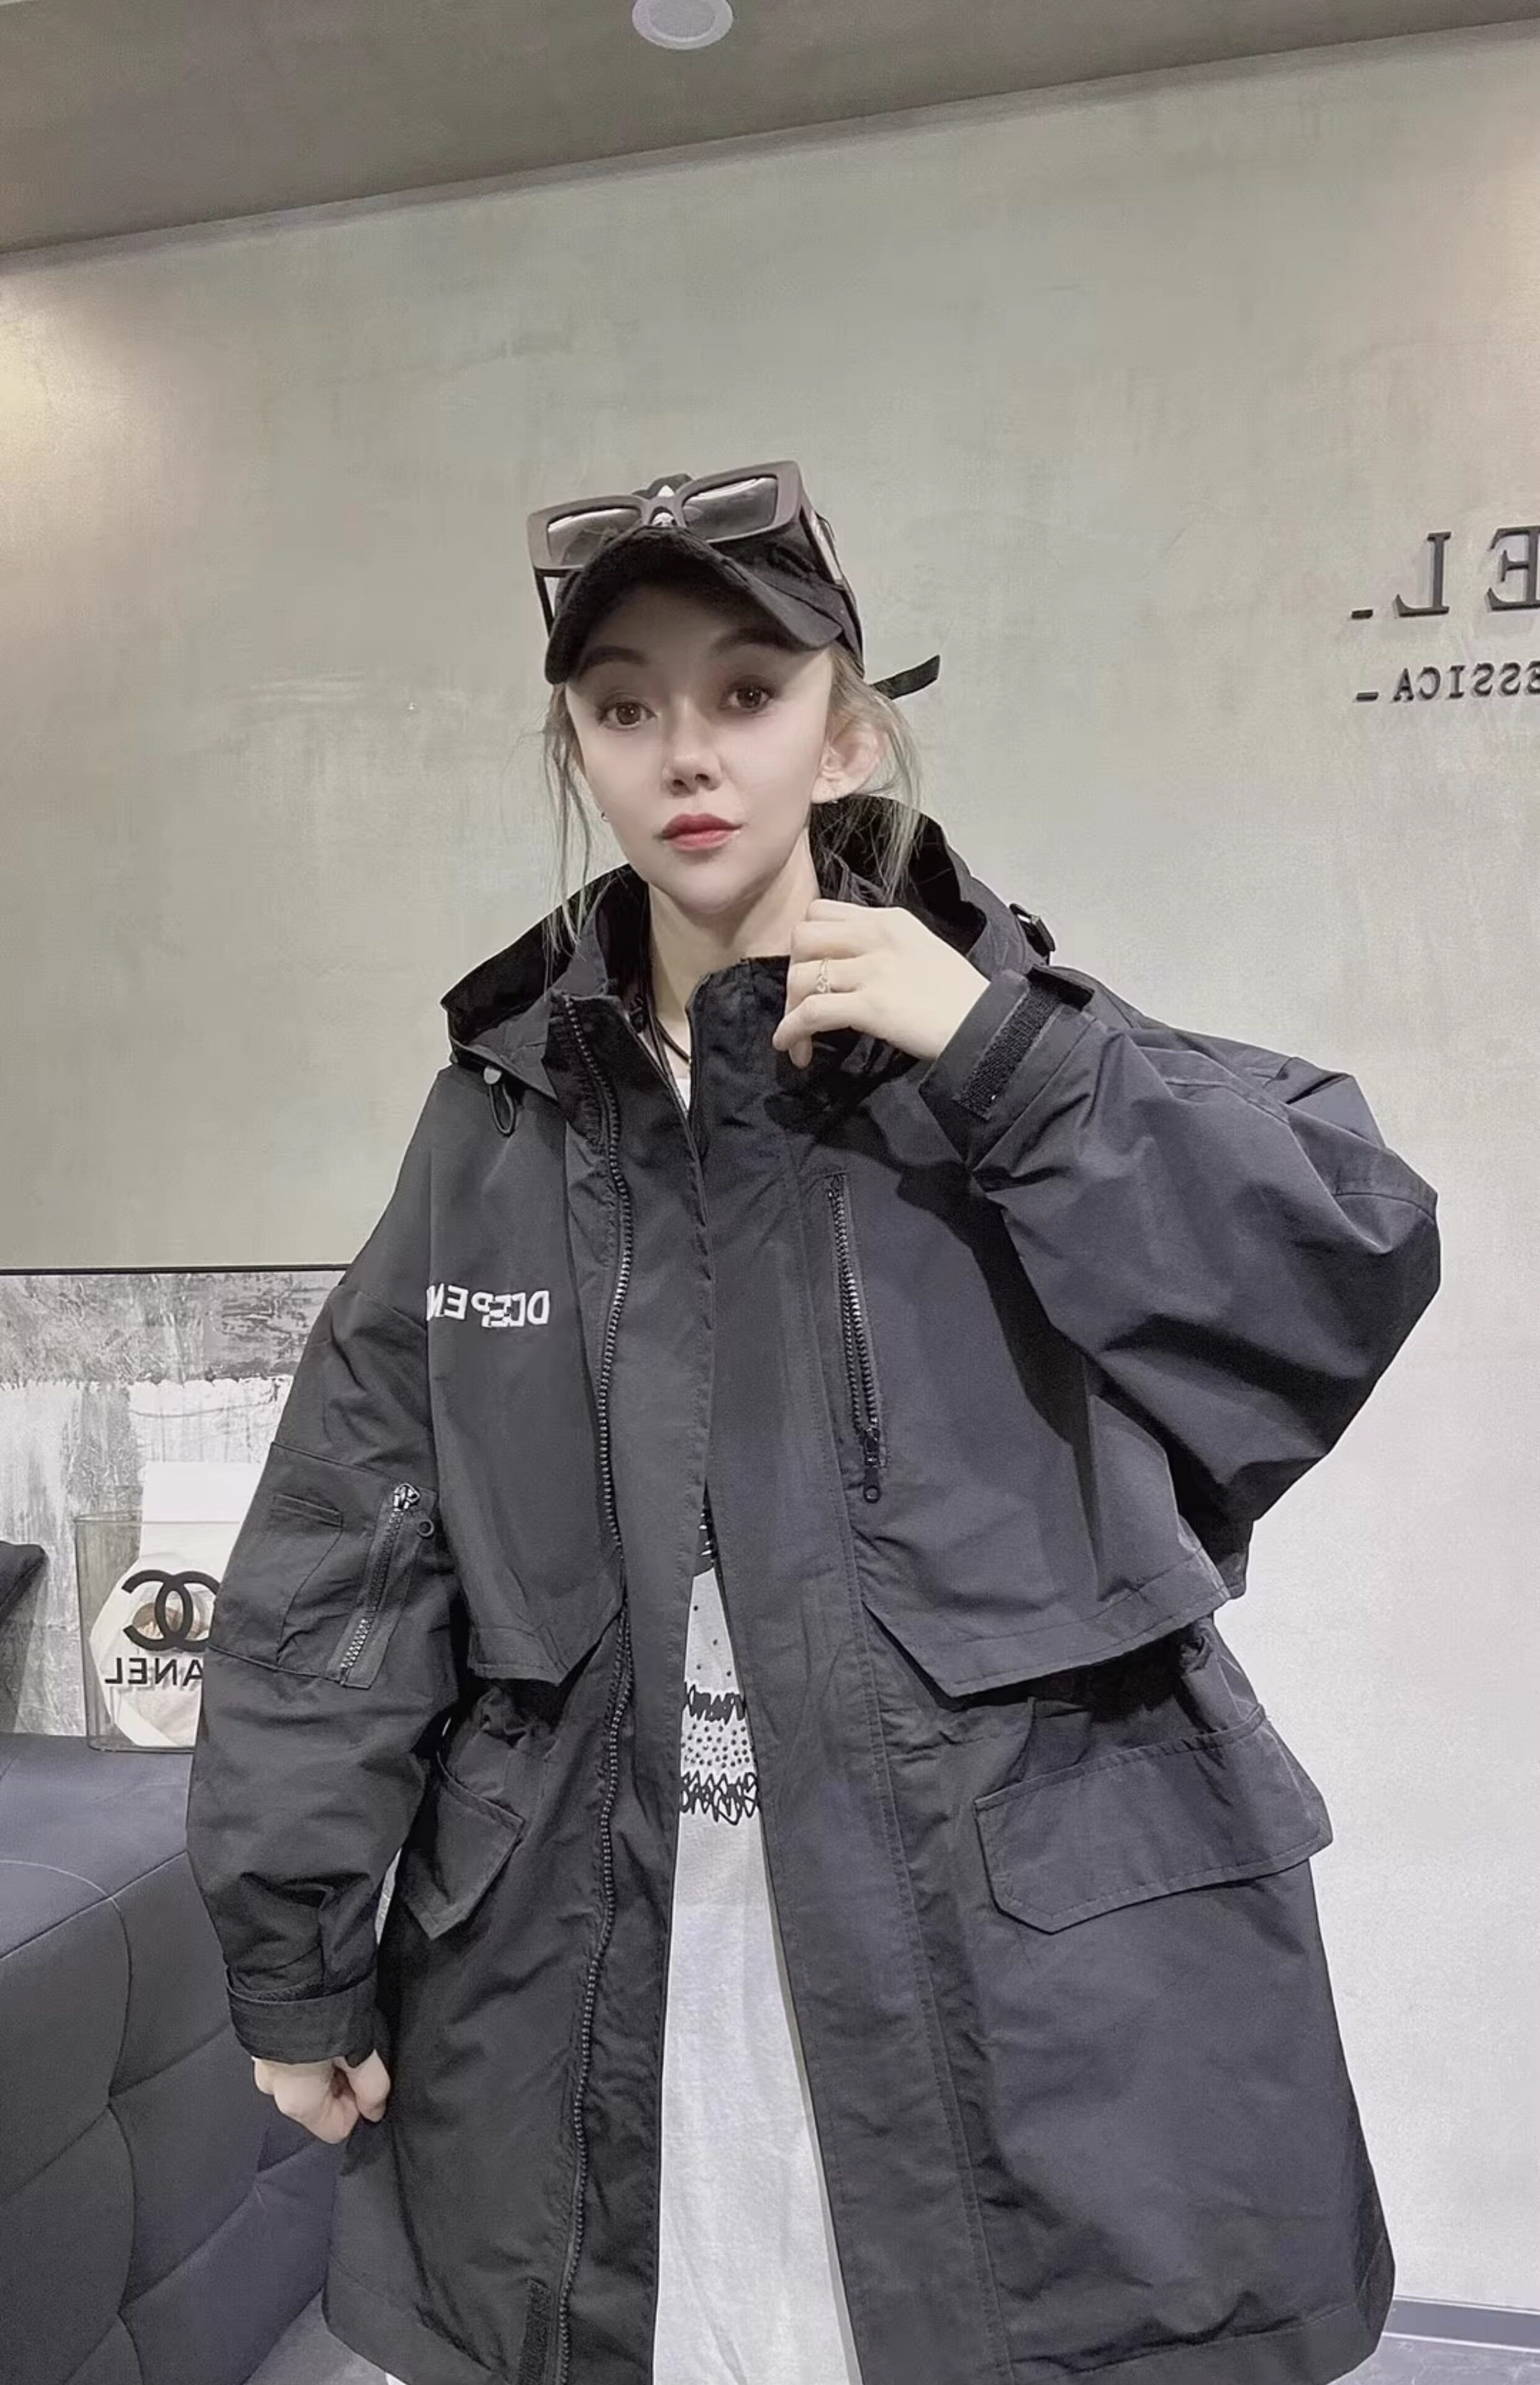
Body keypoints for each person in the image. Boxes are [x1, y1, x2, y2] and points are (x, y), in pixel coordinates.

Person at [186, 463, 1441, 2385]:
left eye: (748, 690)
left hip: (1003, 1959)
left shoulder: (1010, 1045)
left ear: (844, 733)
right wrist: (297, 1946)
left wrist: (1012, 1066)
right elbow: (354, 1541)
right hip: (607, 1957)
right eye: (624, 704)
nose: (687, 749)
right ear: (579, 749)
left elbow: (1336, 1265)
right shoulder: (502, 1122)